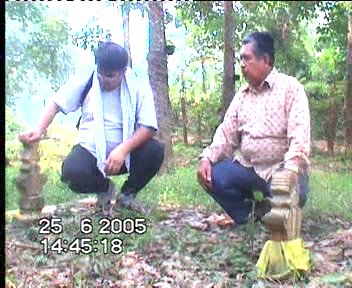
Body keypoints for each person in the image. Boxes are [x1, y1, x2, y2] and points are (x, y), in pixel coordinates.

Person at [19, 41, 165, 213]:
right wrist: (39, 129)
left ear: (123, 72)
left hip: (126, 155)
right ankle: (104, 189)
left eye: (110, 76)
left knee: (155, 150)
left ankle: (127, 195)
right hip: (91, 150)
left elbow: (148, 127)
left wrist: (123, 150)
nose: (104, 80)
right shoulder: (88, 78)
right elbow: (56, 103)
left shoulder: (138, 85)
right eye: (101, 74)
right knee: (71, 173)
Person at [197, 32, 310, 226]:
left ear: (265, 60)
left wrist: (288, 173)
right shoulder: (241, 96)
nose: (242, 64)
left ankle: (276, 211)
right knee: (212, 175)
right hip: (249, 170)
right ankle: (250, 217)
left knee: (294, 190)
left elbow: (299, 140)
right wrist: (207, 157)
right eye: (241, 59)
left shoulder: (291, 88)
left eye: (247, 58)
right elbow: (226, 133)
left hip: (282, 169)